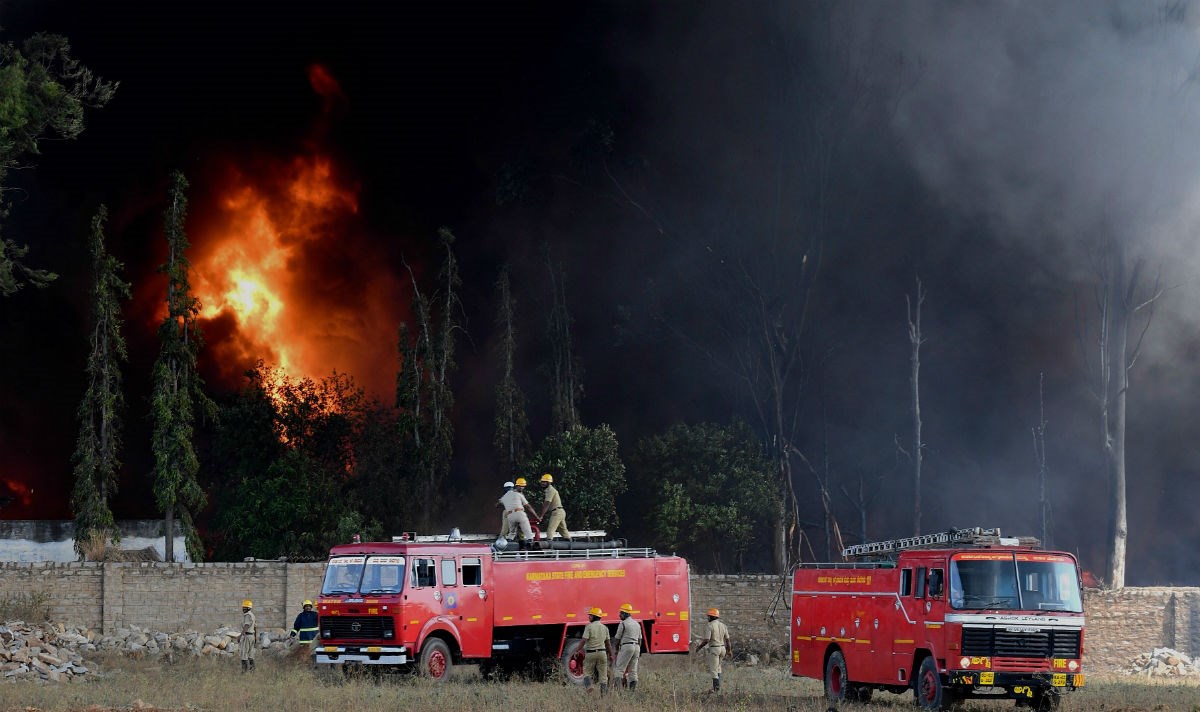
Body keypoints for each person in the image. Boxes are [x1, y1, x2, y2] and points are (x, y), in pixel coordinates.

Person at [694, 607, 730, 693]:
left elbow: (706, 640)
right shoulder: (723, 625)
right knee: (718, 668)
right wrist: (729, 650)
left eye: (709, 616)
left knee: (713, 670)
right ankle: (717, 688)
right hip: (723, 649)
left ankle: (716, 689)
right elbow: (728, 640)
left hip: (715, 649)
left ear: (712, 617)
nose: (708, 618)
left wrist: (698, 648)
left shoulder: (710, 625)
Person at [498, 477, 540, 549]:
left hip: (509, 514)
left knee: (511, 532)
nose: (522, 488)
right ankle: (530, 545)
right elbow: (528, 506)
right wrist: (537, 517)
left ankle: (506, 543)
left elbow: (497, 504)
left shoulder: (504, 496)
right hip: (519, 513)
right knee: (527, 531)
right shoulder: (519, 494)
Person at [581, 606, 612, 695]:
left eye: (590, 615)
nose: (589, 617)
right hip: (602, 653)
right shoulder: (605, 628)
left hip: (591, 653)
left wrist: (577, 650)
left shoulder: (589, 627)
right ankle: (604, 696)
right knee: (603, 676)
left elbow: (584, 640)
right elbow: (608, 644)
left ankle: (589, 686)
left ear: (594, 616)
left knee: (587, 672)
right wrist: (611, 655)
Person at [611, 602, 642, 691]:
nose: (619, 615)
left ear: (625, 614)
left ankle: (618, 693)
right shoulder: (637, 624)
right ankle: (632, 693)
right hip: (636, 647)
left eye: (621, 613)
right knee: (633, 671)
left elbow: (617, 639)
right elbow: (640, 639)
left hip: (627, 646)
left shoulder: (623, 624)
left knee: (619, 670)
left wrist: (615, 650)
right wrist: (638, 650)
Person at [537, 473, 571, 541]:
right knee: (563, 531)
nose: (542, 483)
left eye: (544, 482)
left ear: (549, 482)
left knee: (550, 531)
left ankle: (549, 547)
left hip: (557, 512)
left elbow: (547, 504)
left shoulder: (550, 490)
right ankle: (571, 546)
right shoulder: (548, 490)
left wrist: (541, 516)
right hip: (560, 512)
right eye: (542, 481)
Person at [239, 599, 257, 672]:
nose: (243, 609)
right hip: (252, 636)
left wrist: (240, 636)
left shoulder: (247, 615)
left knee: (244, 653)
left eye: (244, 607)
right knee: (250, 654)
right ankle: (252, 671)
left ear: (247, 608)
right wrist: (255, 637)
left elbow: (246, 625)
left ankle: (244, 671)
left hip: (247, 636)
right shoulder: (252, 615)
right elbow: (255, 627)